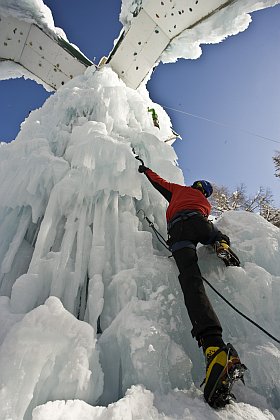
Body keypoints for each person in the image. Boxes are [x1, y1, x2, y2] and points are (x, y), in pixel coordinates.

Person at [138, 163, 244, 406]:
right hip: (199, 222)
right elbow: (204, 217)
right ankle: (221, 245)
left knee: (190, 280)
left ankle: (214, 348)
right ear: (205, 192)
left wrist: (145, 170)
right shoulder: (203, 202)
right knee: (215, 234)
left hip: (178, 230)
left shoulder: (178, 190)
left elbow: (158, 182)